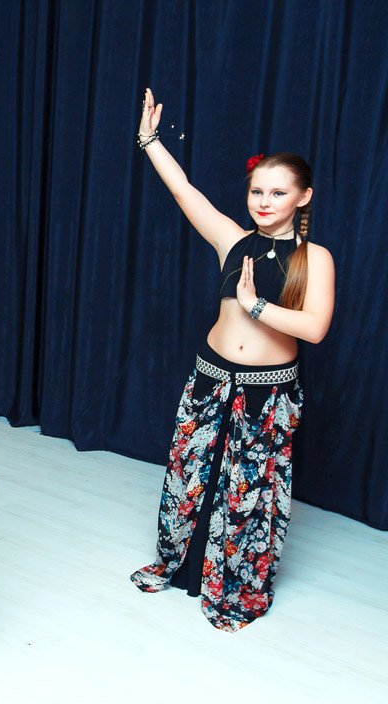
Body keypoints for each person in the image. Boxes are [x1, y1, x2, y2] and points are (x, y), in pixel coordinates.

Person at [129, 88, 336, 631]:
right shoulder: (233, 239)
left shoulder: (315, 258)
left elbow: (315, 328)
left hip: (268, 390)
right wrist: (150, 141)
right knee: (190, 472)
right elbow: (184, 190)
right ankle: (178, 563)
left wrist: (255, 305)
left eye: (278, 192)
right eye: (257, 191)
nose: (264, 201)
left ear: (303, 197)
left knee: (250, 489)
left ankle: (238, 586)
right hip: (211, 376)